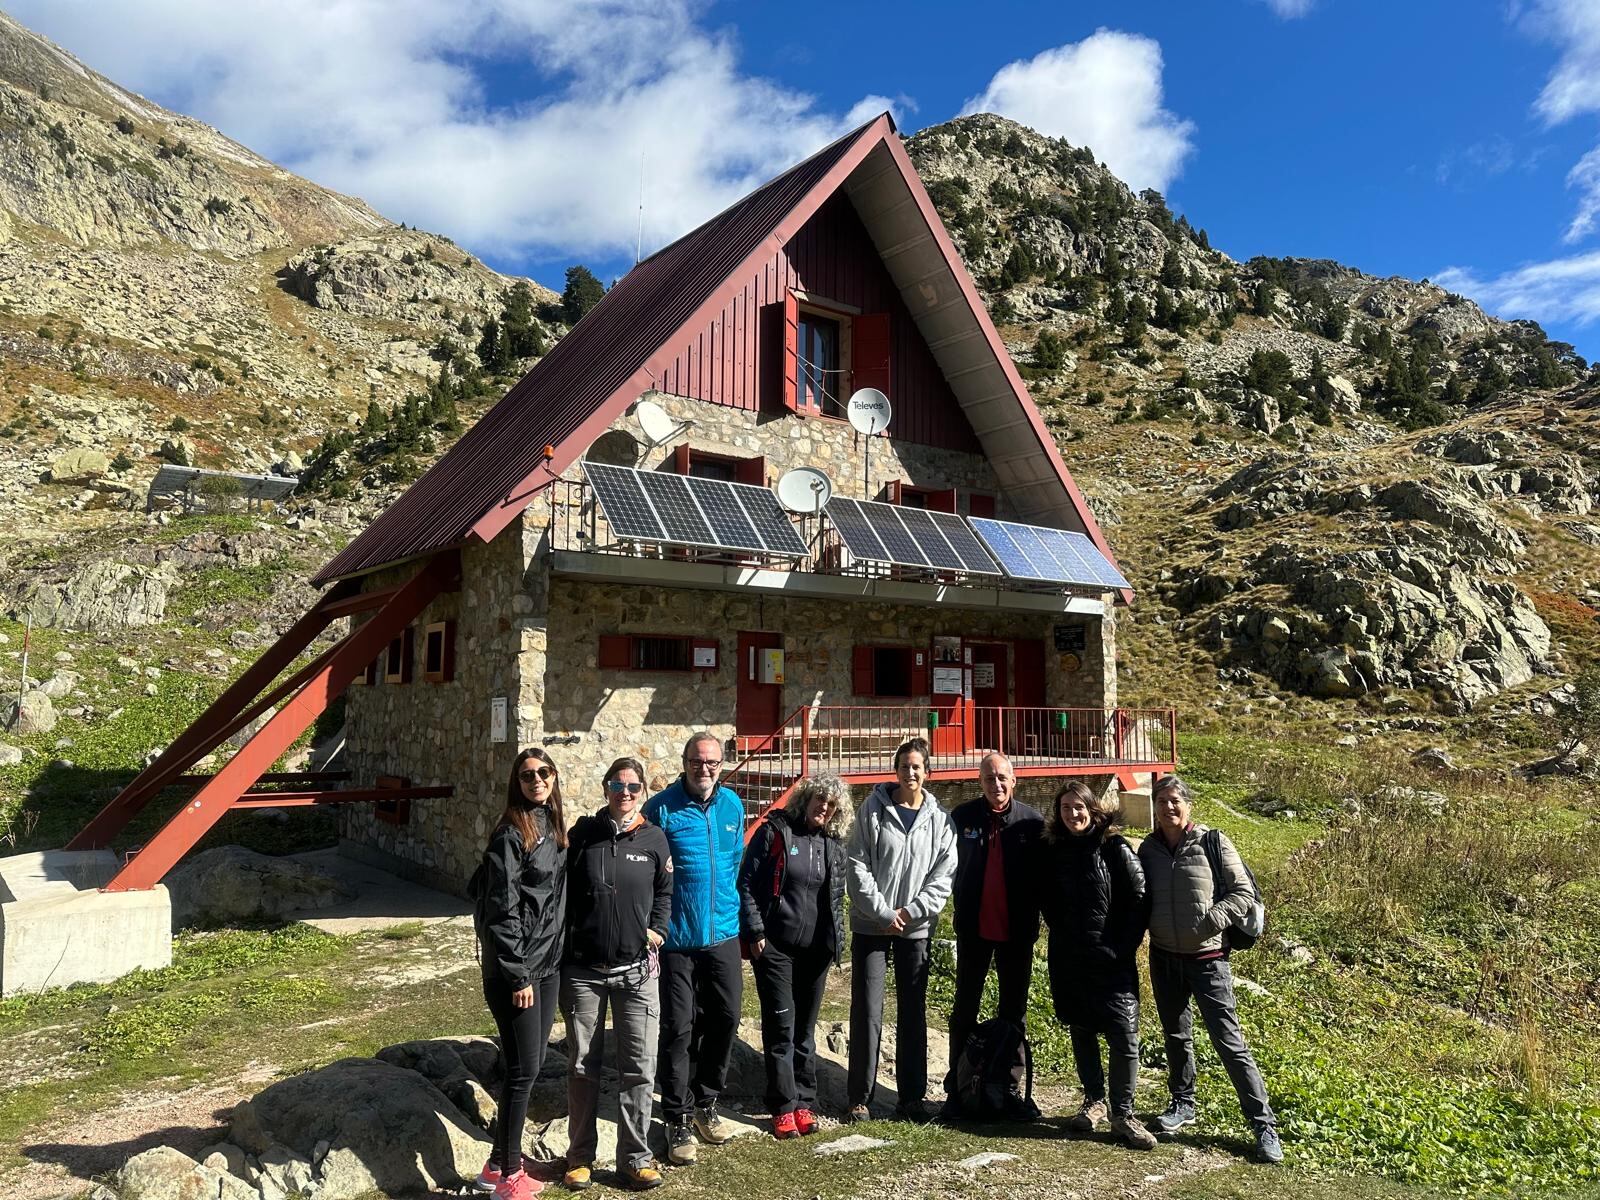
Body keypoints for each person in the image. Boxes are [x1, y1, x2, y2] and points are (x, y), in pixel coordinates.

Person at [1138, 774, 1282, 1164]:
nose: (1168, 807)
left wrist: (1209, 921)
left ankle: (1263, 1124)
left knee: (1229, 1042)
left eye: (1175, 801)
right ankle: (1183, 1103)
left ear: (1188, 805)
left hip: (1208, 960)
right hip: (1164, 958)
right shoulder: (1148, 849)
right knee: (1175, 1036)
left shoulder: (1212, 841)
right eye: (1162, 801)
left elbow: (1243, 893)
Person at [560, 756, 672, 1192]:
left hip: (637, 973)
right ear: (605, 788)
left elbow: (665, 892)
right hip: (584, 971)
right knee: (583, 1065)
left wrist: (658, 930)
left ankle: (634, 1158)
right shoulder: (583, 835)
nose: (624, 793)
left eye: (632, 786)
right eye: (616, 784)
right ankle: (580, 1158)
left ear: (643, 791)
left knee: (639, 1068)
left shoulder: (655, 839)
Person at [643, 732, 746, 1165]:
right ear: (684, 762)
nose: (704, 769)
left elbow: (736, 862)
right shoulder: (661, 808)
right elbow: (646, 869)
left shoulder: (732, 806)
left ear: (721, 765)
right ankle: (677, 1115)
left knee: (726, 1017)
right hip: (676, 940)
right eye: (696, 762)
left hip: (723, 932)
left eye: (712, 763)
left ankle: (706, 1101)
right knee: (679, 1027)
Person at [471, 748, 568, 1200]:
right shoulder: (511, 834)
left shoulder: (551, 823)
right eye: (527, 775)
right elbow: (501, 910)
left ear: (554, 778)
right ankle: (509, 1176)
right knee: (523, 1071)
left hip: (547, 964)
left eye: (544, 773)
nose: (536, 780)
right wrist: (518, 975)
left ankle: (495, 1164)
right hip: (519, 971)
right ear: (517, 781)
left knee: (526, 1066)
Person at [845, 736, 957, 1122]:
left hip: (915, 927)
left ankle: (911, 1096)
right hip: (871, 925)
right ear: (895, 770)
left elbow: (943, 875)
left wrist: (911, 912)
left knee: (913, 1011)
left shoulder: (940, 821)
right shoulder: (872, 811)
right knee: (867, 1008)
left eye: (917, 767)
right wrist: (881, 912)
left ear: (927, 772)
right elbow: (857, 864)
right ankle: (860, 1095)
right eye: (904, 766)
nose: (910, 773)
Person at [1040, 781, 1155, 1150]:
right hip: (1070, 957)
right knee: (1082, 1027)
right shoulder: (1054, 850)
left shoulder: (1114, 847)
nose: (1073, 814)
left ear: (1093, 809)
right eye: (1065, 808)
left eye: (1079, 807)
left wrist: (1121, 947)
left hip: (1111, 956)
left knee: (1124, 1032)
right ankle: (1093, 1102)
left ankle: (1124, 1113)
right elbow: (1047, 899)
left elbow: (1139, 899)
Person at [738, 773, 852, 1139]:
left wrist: (838, 940)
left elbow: (834, 898)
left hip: (816, 952)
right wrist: (755, 932)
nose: (824, 807)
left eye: (831, 803)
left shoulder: (832, 843)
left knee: (805, 1031)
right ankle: (783, 1106)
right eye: (819, 798)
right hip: (776, 949)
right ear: (805, 799)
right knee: (781, 1028)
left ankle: (805, 1101)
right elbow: (746, 883)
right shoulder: (776, 832)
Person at [942, 751, 1044, 1119]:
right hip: (974, 931)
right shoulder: (962, 818)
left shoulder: (1032, 822)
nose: (996, 785)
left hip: (1016, 934)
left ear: (1014, 780)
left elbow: (1046, 878)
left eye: (1002, 778)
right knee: (964, 1008)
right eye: (989, 778)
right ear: (979, 781)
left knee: (1013, 1014)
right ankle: (957, 1087)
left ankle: (1009, 1089)